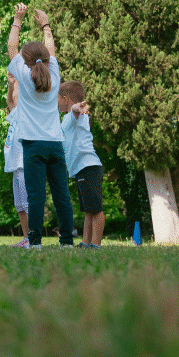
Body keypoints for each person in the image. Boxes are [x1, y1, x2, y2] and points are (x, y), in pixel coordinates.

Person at [7, 3, 74, 249]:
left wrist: (18, 19)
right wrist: (46, 25)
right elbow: (51, 51)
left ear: (25, 62)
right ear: (46, 60)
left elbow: (11, 47)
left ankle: (34, 243)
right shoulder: (54, 76)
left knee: (35, 196)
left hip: (33, 145)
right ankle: (66, 242)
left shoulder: (24, 78)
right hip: (56, 144)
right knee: (62, 196)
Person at [58, 81, 104, 248]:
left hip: (89, 166)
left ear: (65, 99)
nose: (56, 102)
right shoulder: (66, 119)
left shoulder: (76, 115)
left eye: (57, 99)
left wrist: (78, 107)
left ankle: (96, 243)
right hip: (80, 169)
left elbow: (76, 109)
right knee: (88, 210)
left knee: (96, 209)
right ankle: (86, 242)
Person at [4, 73, 30, 248]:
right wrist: (10, 84)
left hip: (24, 164)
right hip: (15, 166)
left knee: (27, 203)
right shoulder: (14, 114)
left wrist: (18, 81)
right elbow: (9, 102)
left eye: (16, 95)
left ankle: (33, 238)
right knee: (19, 205)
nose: (13, 98)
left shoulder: (26, 113)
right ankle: (26, 237)